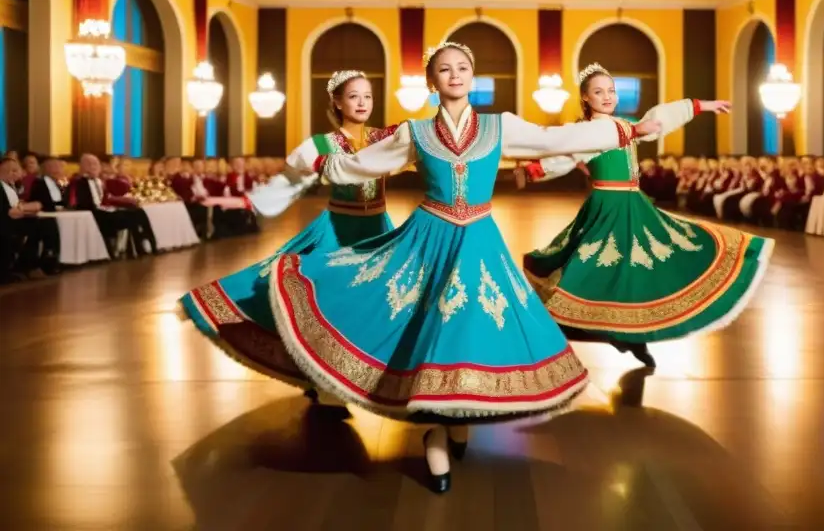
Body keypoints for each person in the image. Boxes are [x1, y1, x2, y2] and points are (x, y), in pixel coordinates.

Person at [256, 43, 662, 494]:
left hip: (480, 240)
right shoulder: (415, 132)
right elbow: (361, 163)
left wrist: (626, 132)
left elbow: (555, 139)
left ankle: (455, 419)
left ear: (473, 76)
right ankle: (436, 428)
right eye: (444, 70)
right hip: (428, 238)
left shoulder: (499, 125)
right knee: (429, 332)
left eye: (463, 68)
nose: (455, 75)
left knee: (471, 328)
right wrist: (320, 163)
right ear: (431, 83)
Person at [516, 63, 773, 369]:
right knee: (596, 266)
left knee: (641, 267)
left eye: (611, 91)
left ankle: (632, 335)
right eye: (598, 92)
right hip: (606, 207)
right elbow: (565, 158)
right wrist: (531, 171)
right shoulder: (588, 132)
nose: (607, 96)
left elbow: (657, 118)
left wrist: (700, 106)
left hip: (634, 204)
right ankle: (585, 327)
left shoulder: (625, 125)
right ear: (586, 98)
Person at [179, 71, 398, 400]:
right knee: (325, 304)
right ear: (338, 102)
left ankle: (368, 373)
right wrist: (245, 200)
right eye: (353, 96)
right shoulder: (319, 146)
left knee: (379, 301)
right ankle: (323, 378)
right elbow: (289, 183)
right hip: (338, 231)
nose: (362, 102)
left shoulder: (385, 139)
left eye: (367, 96)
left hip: (378, 230)